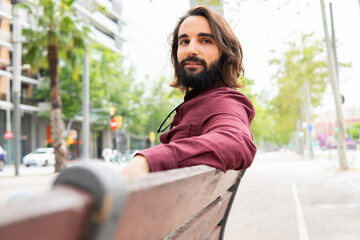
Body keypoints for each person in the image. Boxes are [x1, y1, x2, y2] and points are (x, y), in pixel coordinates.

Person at [121, 5, 256, 178]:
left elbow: (236, 142)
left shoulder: (224, 102)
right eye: (184, 41)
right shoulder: (199, 101)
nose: (190, 50)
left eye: (205, 40)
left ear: (225, 53)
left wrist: (147, 161)